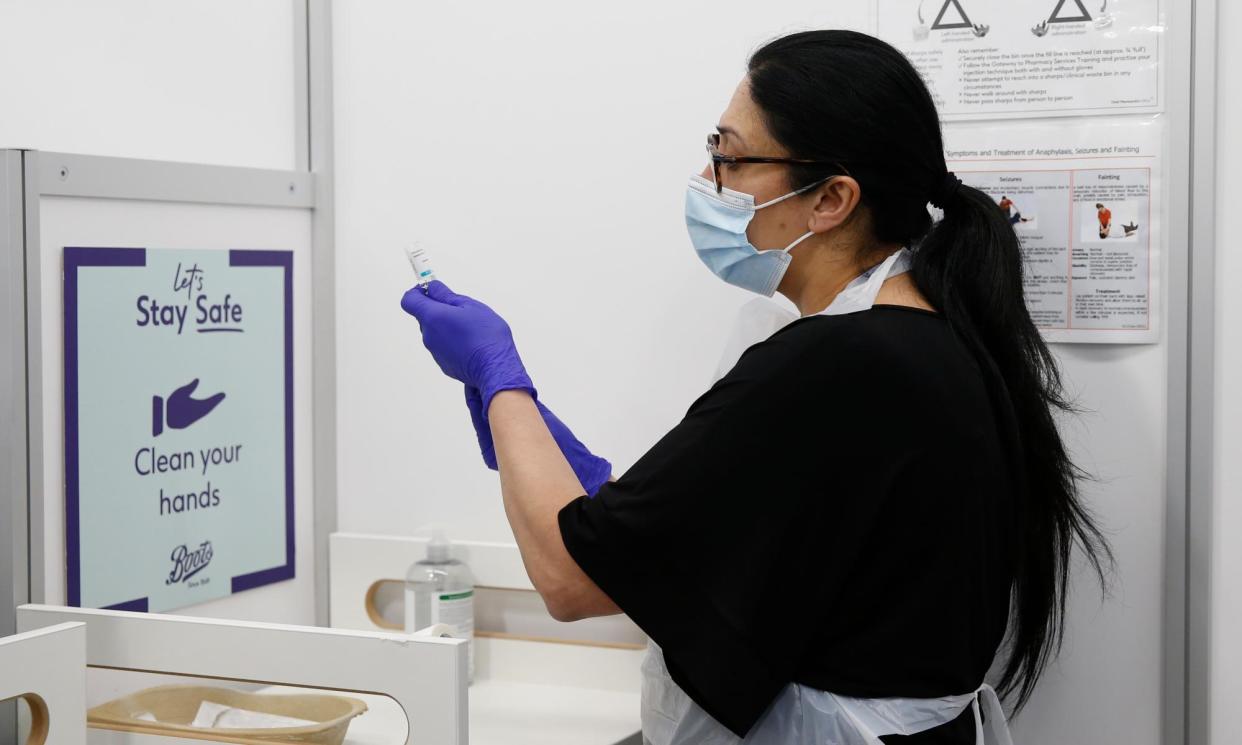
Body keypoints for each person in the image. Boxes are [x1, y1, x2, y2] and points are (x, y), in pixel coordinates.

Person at [400, 30, 1110, 745]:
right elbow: (725, 543)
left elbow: (570, 581)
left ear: (831, 197)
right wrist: (573, 472)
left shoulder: (836, 362)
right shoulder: (929, 338)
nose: (708, 179)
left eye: (730, 157)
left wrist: (499, 377)